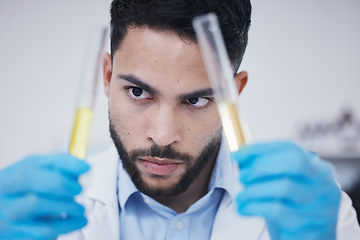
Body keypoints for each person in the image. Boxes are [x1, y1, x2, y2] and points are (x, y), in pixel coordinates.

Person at [1, 0, 360, 239]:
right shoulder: (33, 214)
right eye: (138, 93)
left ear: (234, 93)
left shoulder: (318, 216)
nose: (162, 135)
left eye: (196, 99)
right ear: (107, 76)